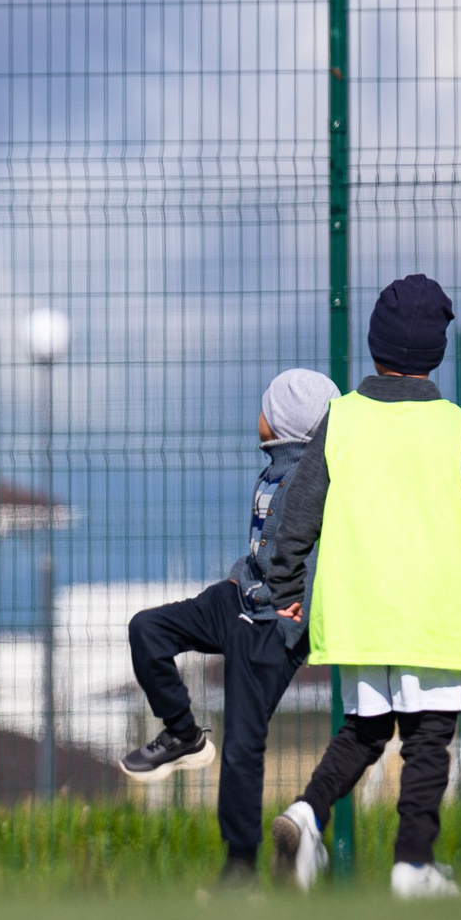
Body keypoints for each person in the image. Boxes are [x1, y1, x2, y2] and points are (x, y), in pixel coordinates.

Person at [260, 275, 461, 900]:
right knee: (429, 735)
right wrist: (459, 563)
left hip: (357, 610)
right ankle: (413, 865)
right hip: (431, 611)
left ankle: (308, 813)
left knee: (365, 729)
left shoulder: (341, 421)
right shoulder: (455, 428)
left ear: (373, 346)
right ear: (437, 353)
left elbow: (297, 516)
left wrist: (284, 584)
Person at [117, 368, 339, 887]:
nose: (256, 415)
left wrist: (294, 618)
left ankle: (240, 868)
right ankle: (184, 735)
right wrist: (242, 581)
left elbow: (323, 552)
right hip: (239, 598)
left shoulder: (317, 477)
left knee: (243, 744)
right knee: (147, 629)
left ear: (282, 423)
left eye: (264, 406)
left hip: (272, 626)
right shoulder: (277, 467)